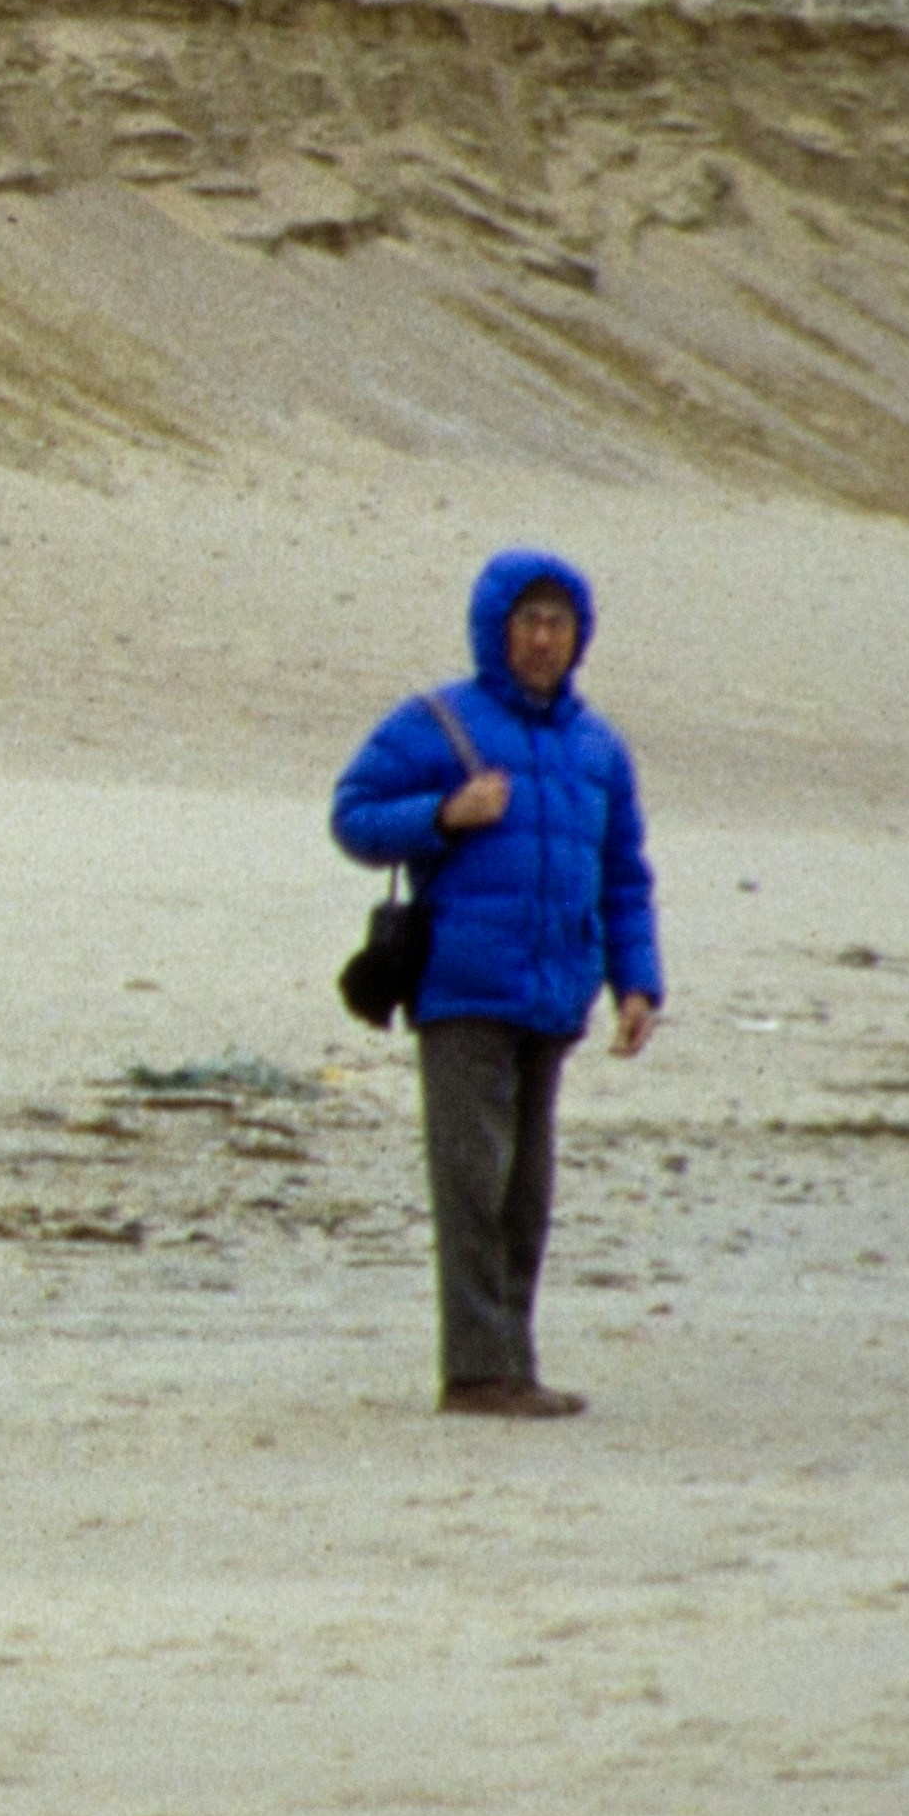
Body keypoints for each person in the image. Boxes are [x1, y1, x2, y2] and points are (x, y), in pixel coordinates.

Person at [331, 549, 663, 1420]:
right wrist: (443, 816)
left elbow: (623, 877)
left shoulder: (598, 749)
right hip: (464, 991)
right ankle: (478, 1373)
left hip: (554, 996)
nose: (544, 639)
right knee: (473, 1183)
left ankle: (512, 1364)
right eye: (529, 622)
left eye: (559, 623)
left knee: (526, 1195)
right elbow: (353, 816)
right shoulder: (437, 723)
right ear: (496, 630)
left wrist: (638, 984)